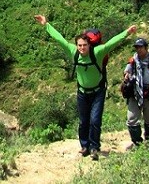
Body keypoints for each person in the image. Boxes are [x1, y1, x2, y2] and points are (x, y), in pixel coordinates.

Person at [34, 14, 137, 160]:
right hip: (82, 92)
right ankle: (84, 146)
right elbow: (59, 39)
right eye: (79, 45)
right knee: (83, 121)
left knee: (95, 121)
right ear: (76, 46)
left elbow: (112, 43)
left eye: (84, 45)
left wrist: (127, 32)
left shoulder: (97, 52)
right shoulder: (73, 52)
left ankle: (94, 147)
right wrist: (46, 25)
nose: (82, 48)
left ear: (89, 45)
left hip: (98, 92)